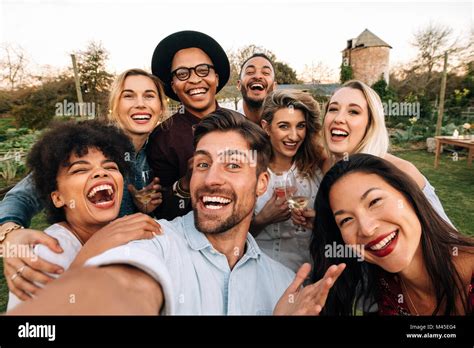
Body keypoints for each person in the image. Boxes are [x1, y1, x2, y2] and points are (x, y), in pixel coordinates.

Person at [9, 110, 346, 315]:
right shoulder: (151, 242)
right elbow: (122, 287)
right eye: (202, 164)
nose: (212, 178)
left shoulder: (286, 286)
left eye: (232, 165)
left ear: (261, 184)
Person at [0, 68, 167, 300]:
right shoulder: (88, 144)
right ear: (114, 105)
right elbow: (22, 196)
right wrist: (9, 234)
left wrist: (144, 207)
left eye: (149, 95)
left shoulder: (159, 152)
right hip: (78, 258)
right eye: (128, 95)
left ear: (161, 106)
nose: (140, 103)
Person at [6, 120, 161, 309]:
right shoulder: (45, 253)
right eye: (80, 169)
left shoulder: (129, 235)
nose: (100, 173)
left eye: (110, 167)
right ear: (57, 197)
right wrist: (88, 255)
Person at [310, 154, 473, 315]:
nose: (367, 229)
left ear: (409, 195)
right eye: (346, 220)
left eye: (374, 201)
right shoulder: (385, 287)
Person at [292, 79, 453, 229]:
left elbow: (448, 239)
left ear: (371, 123)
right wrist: (322, 223)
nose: (339, 118)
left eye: (353, 112)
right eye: (333, 109)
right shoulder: (328, 165)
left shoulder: (401, 172)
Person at [147, 30, 233, 221]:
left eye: (203, 70)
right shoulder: (162, 138)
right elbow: (160, 211)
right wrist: (185, 184)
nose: (194, 79)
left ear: (216, 78)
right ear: (173, 85)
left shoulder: (243, 126)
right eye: (182, 73)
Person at [250, 90, 325, 272]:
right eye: (284, 126)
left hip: (313, 275)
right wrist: (262, 220)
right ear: (266, 127)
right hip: (263, 276)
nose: (294, 136)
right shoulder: (250, 172)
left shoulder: (317, 169)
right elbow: (229, 239)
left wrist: (320, 224)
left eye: (300, 126)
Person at [237, 53, 277, 124]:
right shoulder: (227, 127)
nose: (258, 76)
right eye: (250, 72)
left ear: (274, 87)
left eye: (266, 73)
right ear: (239, 85)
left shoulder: (284, 128)